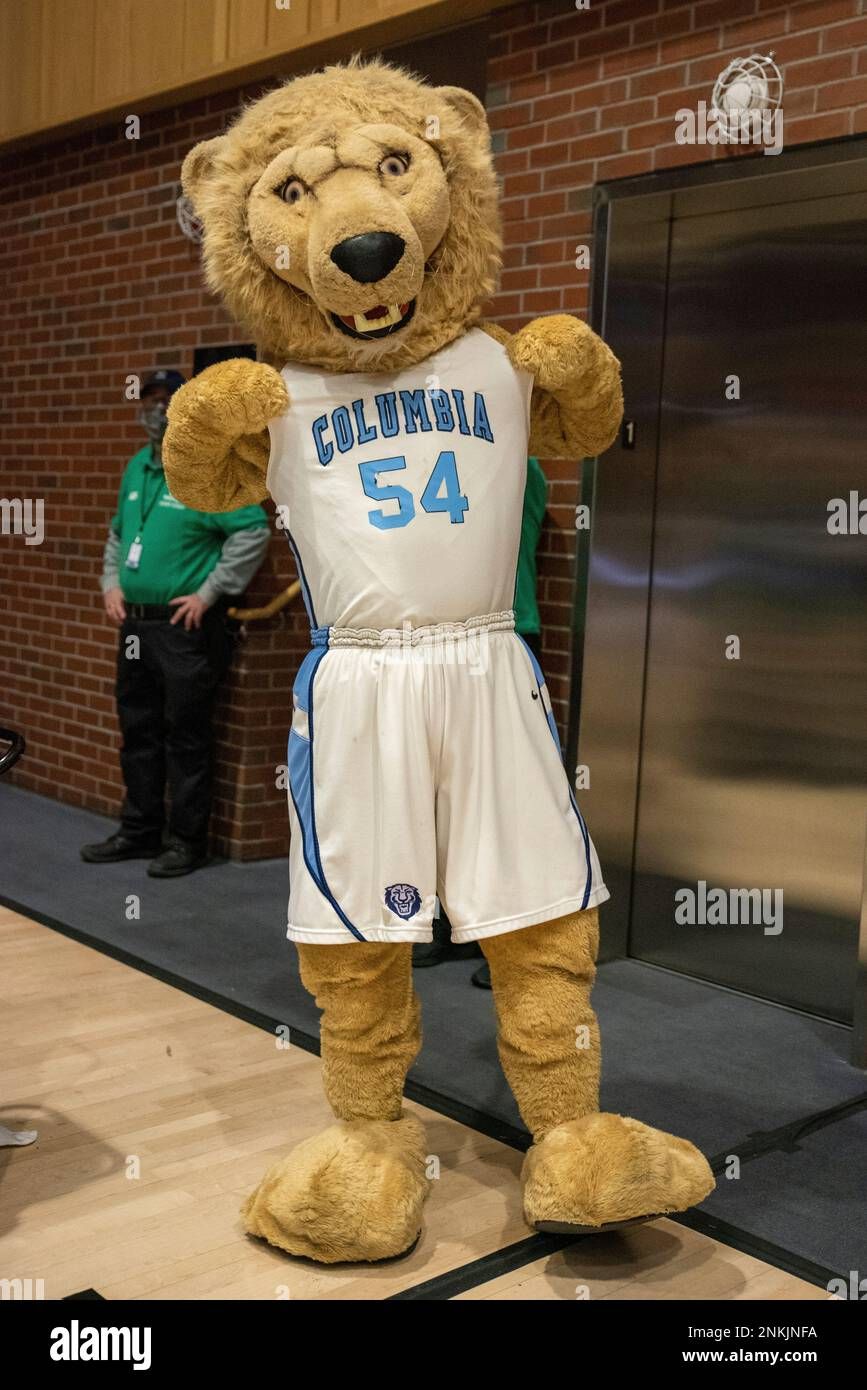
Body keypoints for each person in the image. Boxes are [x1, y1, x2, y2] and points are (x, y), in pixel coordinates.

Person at [81, 369, 271, 876]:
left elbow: (252, 531)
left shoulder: (204, 471)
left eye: (167, 400)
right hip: (135, 626)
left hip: (182, 631)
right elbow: (119, 536)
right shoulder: (137, 466)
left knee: (185, 735)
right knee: (137, 728)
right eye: (148, 400)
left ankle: (186, 841)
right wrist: (110, 583)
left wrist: (210, 593)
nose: (155, 409)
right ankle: (140, 830)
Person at [413, 456, 549, 976]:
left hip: (502, 636)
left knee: (499, 796)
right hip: (437, 640)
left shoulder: (517, 463)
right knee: (434, 791)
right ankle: (446, 923)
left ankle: (505, 938)